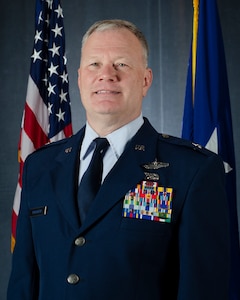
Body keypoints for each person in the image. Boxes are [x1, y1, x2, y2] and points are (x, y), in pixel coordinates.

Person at [8, 19, 230, 300]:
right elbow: (23, 283)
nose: (106, 75)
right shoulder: (40, 166)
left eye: (122, 64)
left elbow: (203, 290)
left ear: (146, 80)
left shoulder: (192, 170)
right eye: (94, 65)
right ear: (78, 78)